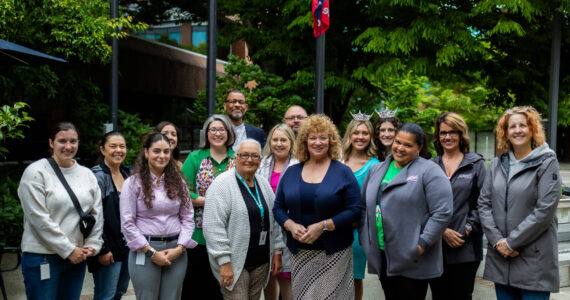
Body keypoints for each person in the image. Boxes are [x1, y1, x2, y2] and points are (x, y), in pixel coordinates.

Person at [360, 122, 453, 300]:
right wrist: (366, 239)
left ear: (419, 147)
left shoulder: (430, 171)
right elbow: (365, 206)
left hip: (413, 257)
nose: (400, 148)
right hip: (382, 253)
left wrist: (421, 245)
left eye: (408, 145)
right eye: (398, 142)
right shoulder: (377, 169)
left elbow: (443, 213)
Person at [273, 114, 361, 300]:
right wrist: (290, 225)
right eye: (313, 137)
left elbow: (354, 210)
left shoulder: (343, 172)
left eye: (323, 137)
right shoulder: (291, 172)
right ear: (305, 141)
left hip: (334, 254)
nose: (318, 142)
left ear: (331, 140)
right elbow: (278, 208)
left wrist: (323, 226)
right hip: (300, 254)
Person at [478, 106, 561, 300]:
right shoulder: (497, 164)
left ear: (532, 129)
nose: (517, 130)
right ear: (505, 132)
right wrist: (498, 241)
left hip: (534, 261)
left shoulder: (547, 163)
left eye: (522, 125)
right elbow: (484, 204)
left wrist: (511, 242)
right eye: (512, 126)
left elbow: (544, 211)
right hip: (502, 259)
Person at [18, 122, 103, 299]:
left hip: (77, 257)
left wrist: (93, 244)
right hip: (42, 256)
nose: (68, 146)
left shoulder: (87, 174)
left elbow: (96, 214)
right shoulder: (35, 172)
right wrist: (68, 249)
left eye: (73, 141)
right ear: (51, 143)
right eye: (62, 141)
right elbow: (38, 218)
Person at [203, 139, 285, 299]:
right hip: (234, 263)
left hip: (261, 261)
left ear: (260, 160)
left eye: (254, 156)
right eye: (244, 155)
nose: (249, 159)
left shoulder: (263, 184)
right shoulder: (221, 185)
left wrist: (277, 250)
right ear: (235, 158)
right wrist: (224, 262)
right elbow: (213, 227)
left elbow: (274, 220)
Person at [120, 132, 196, 300]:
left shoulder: (179, 182)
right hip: (145, 250)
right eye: (156, 151)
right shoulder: (133, 184)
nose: (162, 156)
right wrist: (151, 253)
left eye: (166, 151)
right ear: (146, 153)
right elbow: (127, 223)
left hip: (176, 251)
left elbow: (188, 217)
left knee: (172, 297)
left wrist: (180, 248)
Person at [428, 113, 486, 300]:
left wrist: (468, 227)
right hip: (436, 246)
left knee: (462, 296)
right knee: (439, 296)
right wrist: (442, 231)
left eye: (452, 132)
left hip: (466, 247)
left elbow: (484, 202)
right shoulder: (430, 166)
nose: (447, 137)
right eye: (443, 132)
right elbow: (422, 204)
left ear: (461, 134)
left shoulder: (476, 164)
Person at [180, 114, 235, 300]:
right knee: (194, 288)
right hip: (198, 235)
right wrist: (210, 201)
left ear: (229, 133)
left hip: (230, 235)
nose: (217, 133)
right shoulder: (195, 158)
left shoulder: (237, 158)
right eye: (213, 130)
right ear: (206, 134)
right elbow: (183, 191)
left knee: (221, 290)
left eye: (222, 129)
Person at [88, 131, 132, 300]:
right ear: (102, 149)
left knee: (119, 293)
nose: (118, 150)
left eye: (122, 146)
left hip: (128, 246)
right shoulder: (98, 176)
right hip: (108, 248)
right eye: (113, 146)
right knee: (105, 296)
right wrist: (102, 249)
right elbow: (92, 217)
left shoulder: (128, 173)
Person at [257, 124, 299, 300]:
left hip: (288, 226)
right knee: (268, 277)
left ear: (291, 142)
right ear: (270, 141)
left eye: (283, 140)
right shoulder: (262, 163)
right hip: (264, 227)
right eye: (275, 140)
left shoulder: (298, 165)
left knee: (285, 277)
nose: (279, 144)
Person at [341, 112, 379, 300]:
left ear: (371, 137)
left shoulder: (375, 165)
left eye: (365, 133)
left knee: (355, 278)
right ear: (349, 135)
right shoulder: (336, 161)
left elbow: (375, 201)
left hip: (358, 231)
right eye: (356, 133)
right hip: (333, 227)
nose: (360, 137)